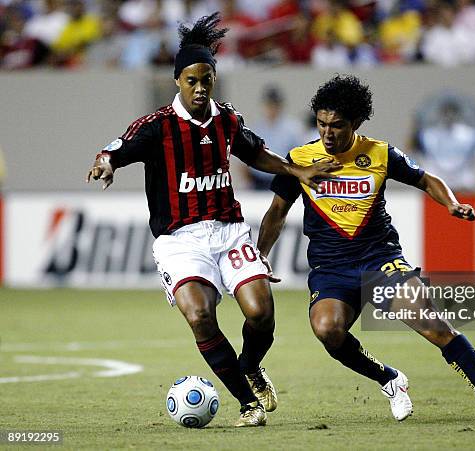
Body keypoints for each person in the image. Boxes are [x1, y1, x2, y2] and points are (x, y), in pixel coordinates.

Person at [86, 13, 338, 428]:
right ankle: (248, 403)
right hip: (179, 240)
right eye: (192, 81)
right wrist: (105, 165)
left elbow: (256, 154)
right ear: (177, 82)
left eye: (207, 80)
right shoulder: (157, 126)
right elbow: (113, 149)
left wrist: (296, 171)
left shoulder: (227, 119)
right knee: (200, 315)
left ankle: (251, 366)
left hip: (228, 230)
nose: (200, 88)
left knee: (261, 313)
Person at [257, 75, 475, 424]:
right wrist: (258, 255)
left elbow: (426, 179)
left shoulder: (380, 154)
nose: (328, 133)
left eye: (336, 125)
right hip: (331, 268)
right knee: (327, 329)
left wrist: (451, 204)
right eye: (321, 124)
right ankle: (389, 379)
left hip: (379, 259)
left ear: (356, 123)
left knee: (432, 324)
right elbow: (276, 213)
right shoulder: (300, 159)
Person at [409, 90, 475, 191]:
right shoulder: (430, 135)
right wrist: (415, 124)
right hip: (435, 188)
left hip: (463, 187)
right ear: (440, 114)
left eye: (452, 112)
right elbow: (411, 147)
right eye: (445, 112)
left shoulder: (468, 134)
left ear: (458, 114)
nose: (449, 116)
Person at [248, 85, 303, 190]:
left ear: (280, 105)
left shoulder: (292, 128)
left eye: (275, 104)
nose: (272, 108)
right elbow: (244, 159)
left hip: (284, 179)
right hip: (258, 181)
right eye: (269, 104)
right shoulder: (255, 128)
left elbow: (300, 157)